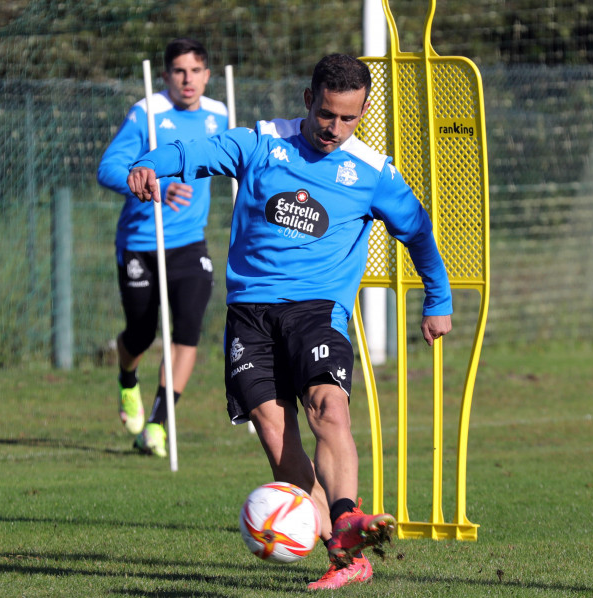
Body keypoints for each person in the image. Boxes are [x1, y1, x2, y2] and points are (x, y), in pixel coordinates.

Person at [127, 53, 452, 590]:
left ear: (363, 110)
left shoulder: (371, 172)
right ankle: (345, 557)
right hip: (250, 315)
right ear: (308, 100)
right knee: (281, 444)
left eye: (349, 118)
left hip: (317, 312)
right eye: (327, 115)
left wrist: (436, 300)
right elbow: (199, 151)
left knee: (329, 409)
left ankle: (347, 515)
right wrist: (152, 165)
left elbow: (416, 231)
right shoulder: (262, 142)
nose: (335, 129)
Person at [97, 38, 228, 457]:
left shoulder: (218, 116)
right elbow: (108, 168)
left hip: (190, 243)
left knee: (187, 328)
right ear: (167, 75)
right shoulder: (146, 113)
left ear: (207, 75)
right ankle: (127, 379)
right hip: (140, 242)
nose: (187, 80)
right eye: (178, 71)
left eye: (195, 71)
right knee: (140, 333)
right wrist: (157, 185)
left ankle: (157, 424)